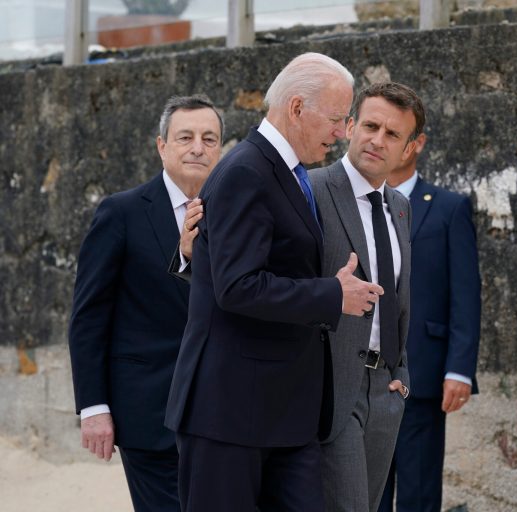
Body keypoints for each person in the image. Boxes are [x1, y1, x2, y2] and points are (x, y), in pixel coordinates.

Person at [164, 53, 383, 512]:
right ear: (297, 108)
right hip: (231, 415)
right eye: (338, 119)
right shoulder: (246, 170)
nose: (343, 133)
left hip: (283, 413)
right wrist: (331, 294)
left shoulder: (285, 171)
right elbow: (238, 286)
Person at [68, 94, 224, 512]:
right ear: (161, 146)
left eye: (209, 139)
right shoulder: (120, 212)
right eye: (185, 137)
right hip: (148, 413)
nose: (198, 147)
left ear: (221, 149)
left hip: (225, 414)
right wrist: (93, 407)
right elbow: (88, 317)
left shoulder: (237, 213)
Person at [309, 82, 423, 511]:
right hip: (332, 389)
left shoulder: (399, 207)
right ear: (351, 126)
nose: (378, 140)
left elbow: (398, 297)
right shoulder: (312, 189)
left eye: (393, 134)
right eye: (371, 126)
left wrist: (401, 373)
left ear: (409, 148)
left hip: (386, 390)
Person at [378, 134, 482, 512]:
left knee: (418, 492)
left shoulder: (449, 208)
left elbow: (465, 293)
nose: (382, 143)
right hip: (357, 374)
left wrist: (460, 369)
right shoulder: (350, 202)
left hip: (421, 372)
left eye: (395, 135)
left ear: (416, 143)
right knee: (360, 493)